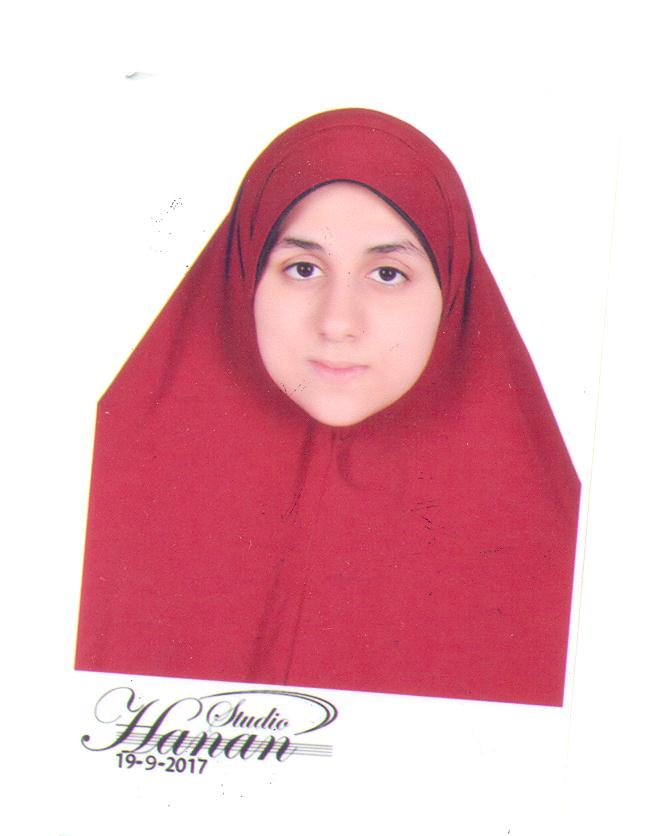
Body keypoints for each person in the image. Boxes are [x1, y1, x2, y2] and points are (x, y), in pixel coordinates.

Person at [75, 108, 580, 706]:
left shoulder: (566, 543)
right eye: (303, 268)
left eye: (387, 273)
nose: (338, 322)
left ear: (451, 289)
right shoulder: (86, 485)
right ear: (245, 275)